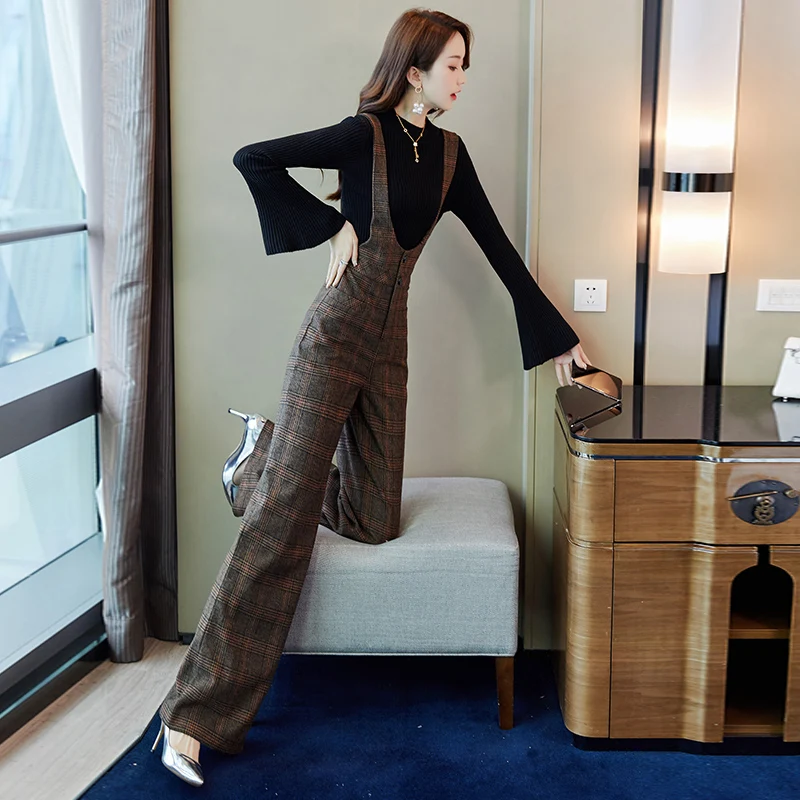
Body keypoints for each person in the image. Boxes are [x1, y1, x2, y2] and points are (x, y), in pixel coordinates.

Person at [151, 8, 591, 787]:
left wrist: (561, 339)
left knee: (374, 521)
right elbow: (254, 159)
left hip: (390, 351)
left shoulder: (450, 156)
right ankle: (191, 718)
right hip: (333, 336)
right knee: (281, 526)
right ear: (415, 70)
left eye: (465, 65)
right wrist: (330, 227)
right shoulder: (364, 136)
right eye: (453, 64)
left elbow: (500, 251)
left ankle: (261, 460)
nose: (462, 78)